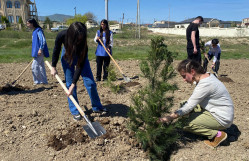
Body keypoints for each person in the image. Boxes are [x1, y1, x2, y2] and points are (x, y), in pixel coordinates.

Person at [159, 59, 234, 148]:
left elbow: (188, 107)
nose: (183, 80)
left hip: (222, 118)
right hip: (220, 110)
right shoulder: (207, 75)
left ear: (192, 71)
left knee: (184, 123)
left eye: (184, 76)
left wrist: (166, 119)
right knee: (184, 104)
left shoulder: (205, 84)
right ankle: (200, 121)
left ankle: (217, 135)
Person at [51, 22, 107, 121]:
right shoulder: (62, 35)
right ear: (72, 35)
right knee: (69, 85)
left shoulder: (83, 45)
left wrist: (74, 82)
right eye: (77, 38)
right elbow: (56, 49)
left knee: (90, 83)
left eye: (81, 38)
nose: (79, 40)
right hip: (67, 55)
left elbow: (80, 66)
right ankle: (75, 110)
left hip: (81, 57)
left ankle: (97, 107)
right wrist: (53, 66)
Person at [27, 18, 49, 85]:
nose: (27, 25)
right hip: (37, 51)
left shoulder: (39, 30)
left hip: (39, 51)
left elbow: (42, 40)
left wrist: (40, 49)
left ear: (32, 23)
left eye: (28, 23)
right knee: (41, 66)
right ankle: (44, 81)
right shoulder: (34, 31)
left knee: (34, 66)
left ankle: (38, 81)